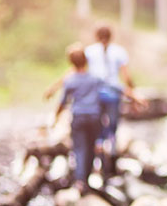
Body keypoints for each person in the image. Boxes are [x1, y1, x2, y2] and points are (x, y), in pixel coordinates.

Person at [84, 25, 135, 175]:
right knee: (112, 127)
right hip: (113, 94)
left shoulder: (89, 51)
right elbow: (126, 75)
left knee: (98, 128)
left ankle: (98, 157)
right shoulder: (119, 51)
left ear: (96, 36)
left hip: (95, 95)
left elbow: (82, 71)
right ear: (111, 36)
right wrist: (132, 92)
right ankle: (111, 161)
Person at [55, 44, 102, 194]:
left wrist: (56, 118)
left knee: (80, 148)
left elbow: (62, 102)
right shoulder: (94, 78)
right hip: (94, 117)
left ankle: (80, 181)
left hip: (79, 117)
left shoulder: (70, 80)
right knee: (91, 147)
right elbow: (110, 90)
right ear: (86, 60)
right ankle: (87, 179)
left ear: (71, 62)